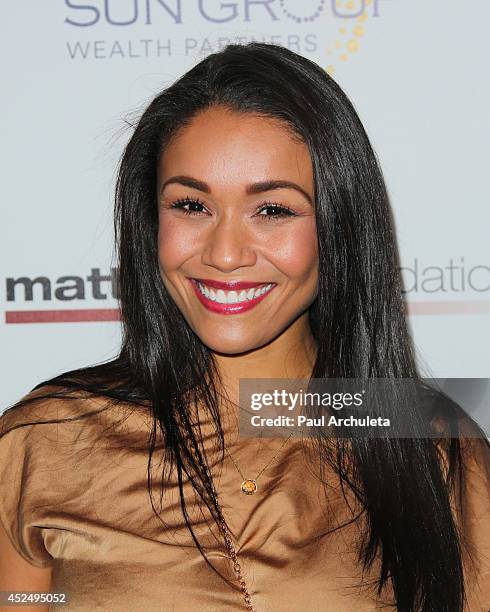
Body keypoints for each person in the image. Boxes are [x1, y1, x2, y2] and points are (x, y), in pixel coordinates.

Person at [0, 42, 489, 612]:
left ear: (340, 226)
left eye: (273, 210)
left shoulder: (426, 436)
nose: (225, 254)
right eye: (190, 205)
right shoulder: (46, 439)